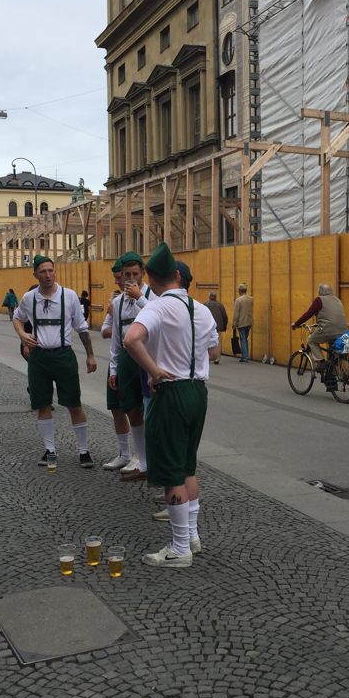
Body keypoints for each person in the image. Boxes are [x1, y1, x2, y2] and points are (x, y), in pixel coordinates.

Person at [124, 242, 220, 568]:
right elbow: (213, 352)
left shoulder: (158, 306)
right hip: (198, 392)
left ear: (150, 279)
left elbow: (131, 339)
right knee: (187, 466)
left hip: (171, 394)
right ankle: (192, 536)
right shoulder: (202, 309)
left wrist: (154, 371)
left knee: (171, 472)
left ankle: (180, 549)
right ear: (178, 276)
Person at [13, 256, 98, 468]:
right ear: (35, 274)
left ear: (55, 271)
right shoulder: (29, 298)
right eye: (43, 271)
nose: (48, 275)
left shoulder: (69, 296)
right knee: (42, 404)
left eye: (51, 270)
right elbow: (17, 317)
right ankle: (50, 451)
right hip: (39, 358)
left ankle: (84, 451)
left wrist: (90, 355)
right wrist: (22, 335)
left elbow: (81, 327)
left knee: (74, 404)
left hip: (63, 356)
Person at [103, 252, 152, 482]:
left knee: (150, 410)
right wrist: (114, 369)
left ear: (143, 274)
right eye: (127, 275)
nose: (131, 279)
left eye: (135, 274)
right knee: (131, 409)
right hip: (126, 359)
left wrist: (140, 298)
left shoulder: (152, 296)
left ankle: (150, 459)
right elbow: (115, 340)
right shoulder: (118, 302)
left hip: (149, 356)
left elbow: (160, 318)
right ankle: (141, 462)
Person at [100, 259, 135, 472]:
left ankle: (141, 456)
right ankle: (124, 453)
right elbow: (104, 331)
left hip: (137, 359)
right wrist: (119, 325)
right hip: (119, 357)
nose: (118, 282)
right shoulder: (117, 301)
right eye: (117, 277)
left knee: (136, 409)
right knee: (115, 406)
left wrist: (126, 329)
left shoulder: (145, 298)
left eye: (119, 277)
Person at [291, 283, 348, 371]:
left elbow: (308, 314)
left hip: (328, 330)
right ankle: (333, 375)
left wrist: (296, 324)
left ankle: (321, 362)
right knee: (332, 352)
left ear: (320, 292)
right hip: (343, 332)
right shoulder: (337, 300)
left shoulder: (319, 300)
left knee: (311, 340)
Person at [204, 291, 228, 365]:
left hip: (207, 327)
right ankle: (217, 358)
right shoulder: (220, 305)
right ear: (216, 297)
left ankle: (207, 357)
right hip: (218, 327)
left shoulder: (205, 304)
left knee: (205, 341)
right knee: (218, 342)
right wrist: (224, 326)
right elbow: (225, 316)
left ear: (209, 297)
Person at [233, 283, 253, 363]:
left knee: (243, 339)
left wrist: (234, 323)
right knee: (245, 338)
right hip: (249, 321)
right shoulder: (250, 299)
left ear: (240, 291)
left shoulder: (238, 300)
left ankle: (245, 357)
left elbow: (236, 313)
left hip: (241, 322)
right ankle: (246, 355)